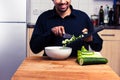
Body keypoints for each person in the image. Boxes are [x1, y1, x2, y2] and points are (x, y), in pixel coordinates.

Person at [30, 0, 103, 57]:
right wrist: (50, 33)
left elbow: (98, 47)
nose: (63, 2)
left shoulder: (82, 17)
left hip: (77, 65)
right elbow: (34, 48)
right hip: (50, 65)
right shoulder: (44, 18)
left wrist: (91, 39)